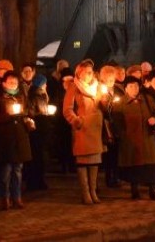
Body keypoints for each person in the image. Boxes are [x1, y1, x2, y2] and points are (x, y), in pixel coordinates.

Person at [63, 59, 106, 204]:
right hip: (82, 128)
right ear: (79, 73)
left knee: (94, 161)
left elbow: (104, 106)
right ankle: (85, 192)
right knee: (83, 161)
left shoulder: (98, 87)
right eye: (86, 72)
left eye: (91, 72)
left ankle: (93, 191)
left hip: (95, 128)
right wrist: (76, 120)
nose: (90, 74)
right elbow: (67, 109)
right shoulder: (73, 87)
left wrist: (106, 101)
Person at [0, 70, 33, 210]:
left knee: (18, 170)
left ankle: (17, 197)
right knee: (5, 171)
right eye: (10, 81)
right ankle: (4, 198)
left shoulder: (21, 96)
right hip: (5, 138)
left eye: (15, 81)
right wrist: (9, 115)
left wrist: (28, 121)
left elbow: (27, 112)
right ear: (4, 83)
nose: (13, 84)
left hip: (19, 137)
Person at [111, 75, 155, 200]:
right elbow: (117, 122)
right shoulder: (120, 103)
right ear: (126, 88)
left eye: (136, 86)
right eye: (131, 86)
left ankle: (153, 189)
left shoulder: (147, 99)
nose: (134, 88)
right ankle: (135, 189)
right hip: (130, 141)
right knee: (134, 166)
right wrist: (123, 135)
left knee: (150, 166)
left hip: (147, 139)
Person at [24, 73, 52, 191]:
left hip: (41, 127)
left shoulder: (40, 95)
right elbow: (32, 112)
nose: (46, 86)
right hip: (38, 129)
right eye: (44, 83)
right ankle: (36, 181)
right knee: (38, 155)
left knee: (39, 155)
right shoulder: (36, 95)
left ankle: (37, 180)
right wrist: (43, 114)